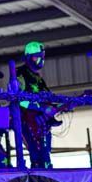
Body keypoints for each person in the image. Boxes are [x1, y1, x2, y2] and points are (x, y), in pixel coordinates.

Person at [17, 41, 59, 169]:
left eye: (42, 56)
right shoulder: (20, 73)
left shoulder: (38, 78)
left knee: (45, 157)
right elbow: (19, 99)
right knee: (37, 158)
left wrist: (62, 105)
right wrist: (41, 108)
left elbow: (49, 98)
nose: (41, 59)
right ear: (28, 58)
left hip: (42, 123)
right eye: (37, 56)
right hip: (28, 122)